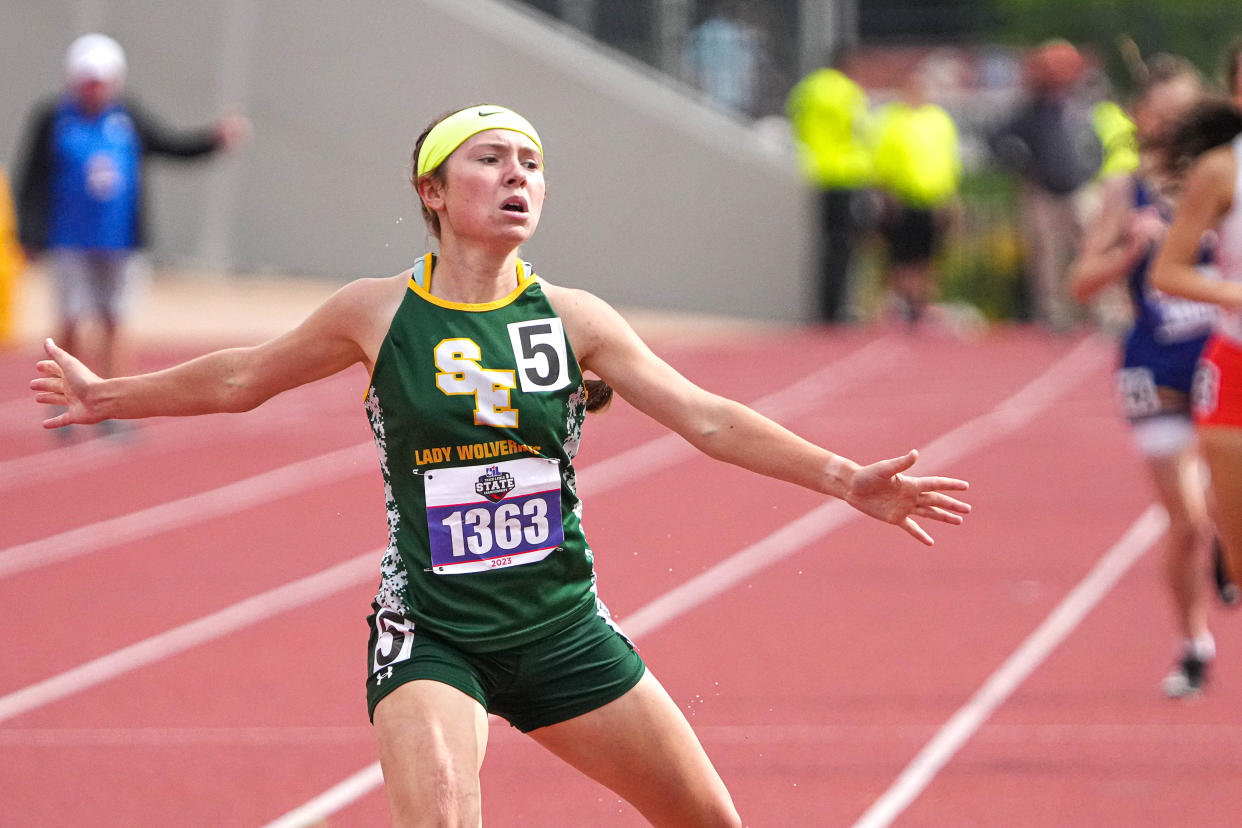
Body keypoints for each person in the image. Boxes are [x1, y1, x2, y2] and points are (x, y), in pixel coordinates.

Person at [29, 104, 971, 826]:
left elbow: (710, 420)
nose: (518, 174)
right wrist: (109, 395)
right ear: (434, 191)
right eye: (492, 158)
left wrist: (847, 480)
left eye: (532, 164)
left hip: (562, 630)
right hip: (435, 632)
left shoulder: (574, 319)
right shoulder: (377, 312)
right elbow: (242, 378)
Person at [1069, 54, 1230, 698]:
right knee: (1184, 521)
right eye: (1157, 116)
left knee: (1225, 499)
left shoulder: (1227, 178)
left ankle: (1231, 536)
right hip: (1154, 359)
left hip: (1223, 350)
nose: (1168, 127)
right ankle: (1193, 644)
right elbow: (1080, 284)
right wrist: (1130, 249)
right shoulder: (1125, 188)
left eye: (1180, 115)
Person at [13, 33, 248, 396]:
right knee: (70, 320)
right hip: (69, 238)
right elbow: (30, 175)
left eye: (101, 81)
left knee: (115, 321)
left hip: (120, 240)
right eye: (87, 81)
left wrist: (213, 141)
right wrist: (27, 232)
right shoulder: (53, 118)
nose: (94, 89)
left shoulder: (127, 116)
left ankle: (114, 396)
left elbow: (170, 145)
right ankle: (64, 395)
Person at [1151, 37, 1242, 633]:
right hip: (1234, 364)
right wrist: (1235, 293)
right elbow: (1168, 270)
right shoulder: (1221, 169)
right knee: (1237, 541)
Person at [990, 39, 1103, 331]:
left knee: (1093, 247)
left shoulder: (1084, 102)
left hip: (1079, 186)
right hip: (1044, 191)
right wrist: (1024, 166)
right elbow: (998, 139)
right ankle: (1055, 314)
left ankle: (1098, 308)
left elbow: (1097, 140)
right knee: (1048, 257)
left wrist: (1092, 168)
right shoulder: (1031, 108)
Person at [870, 62, 962, 327]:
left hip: (933, 196)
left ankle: (920, 305)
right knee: (901, 256)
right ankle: (902, 303)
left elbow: (948, 160)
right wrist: (885, 192)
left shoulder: (938, 120)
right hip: (903, 197)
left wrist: (951, 197)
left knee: (928, 256)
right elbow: (882, 160)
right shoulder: (890, 120)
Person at [787, 52, 874, 322]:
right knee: (843, 246)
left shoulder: (808, 89)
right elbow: (859, 131)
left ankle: (822, 308)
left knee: (820, 246)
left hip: (813, 172)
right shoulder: (849, 93)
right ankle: (837, 310)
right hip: (844, 176)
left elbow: (795, 121)